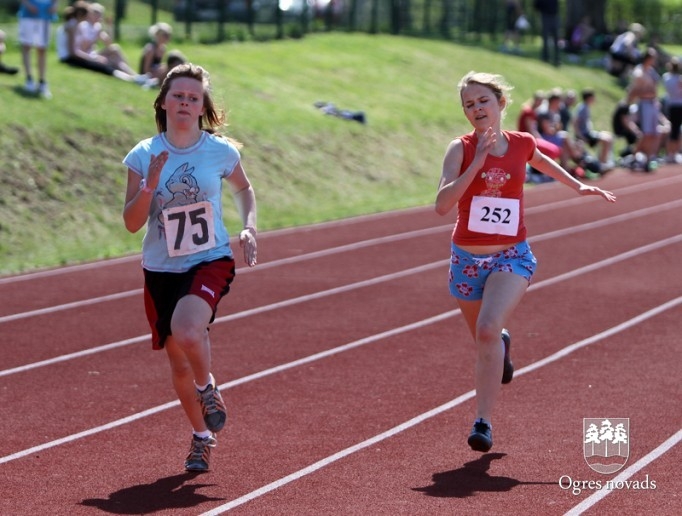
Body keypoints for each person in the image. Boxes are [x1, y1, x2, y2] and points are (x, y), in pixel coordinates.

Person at [434, 71, 615, 453]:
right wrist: (477, 160)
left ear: (500, 103)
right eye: (469, 104)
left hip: (511, 255)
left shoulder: (522, 143)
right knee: (485, 340)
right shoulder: (460, 148)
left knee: (485, 331)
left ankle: (482, 421)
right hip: (467, 258)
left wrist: (577, 184)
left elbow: (543, 163)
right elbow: (442, 205)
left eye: (483, 101)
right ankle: (501, 343)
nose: (476, 109)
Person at [122, 63, 258, 471]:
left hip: (209, 259)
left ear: (202, 107)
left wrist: (248, 227)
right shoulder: (143, 155)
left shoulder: (219, 151)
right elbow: (131, 223)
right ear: (163, 102)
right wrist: (150, 186)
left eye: (193, 98)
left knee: (187, 329)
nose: (185, 103)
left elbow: (244, 189)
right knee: (177, 358)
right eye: (178, 96)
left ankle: (208, 387)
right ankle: (202, 437)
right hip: (161, 268)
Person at [57, 1, 152, 85]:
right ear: (81, 14)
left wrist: (109, 27)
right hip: (68, 58)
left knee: (109, 61)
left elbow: (108, 42)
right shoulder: (72, 26)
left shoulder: (75, 24)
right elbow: (73, 52)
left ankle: (136, 78)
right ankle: (134, 79)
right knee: (104, 66)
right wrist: (93, 58)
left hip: (75, 57)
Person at [627, 47, 669, 168]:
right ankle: (635, 156)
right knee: (646, 133)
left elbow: (655, 87)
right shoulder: (639, 72)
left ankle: (650, 157)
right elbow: (635, 90)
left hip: (653, 103)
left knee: (655, 133)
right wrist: (646, 91)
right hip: (644, 103)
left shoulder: (651, 71)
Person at [17, 0, 58, 98]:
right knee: (26, 46)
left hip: (45, 14)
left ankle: (42, 82)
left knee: (42, 49)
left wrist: (55, 4)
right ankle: (29, 79)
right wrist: (28, 4)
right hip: (28, 14)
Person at [573, 89, 615, 169]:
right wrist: (580, 136)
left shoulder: (586, 107)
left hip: (588, 133)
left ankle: (603, 161)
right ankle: (602, 164)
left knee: (608, 136)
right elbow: (575, 122)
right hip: (585, 134)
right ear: (589, 98)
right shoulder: (582, 108)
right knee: (606, 140)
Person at [662, 57, 682, 163]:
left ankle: (671, 153)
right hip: (678, 105)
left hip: (670, 105)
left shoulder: (666, 77)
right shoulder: (679, 79)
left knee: (673, 129)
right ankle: (674, 152)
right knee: (676, 129)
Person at [534, 0, 560, 66]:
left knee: (556, 39)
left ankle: (557, 59)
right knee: (545, 39)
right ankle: (545, 58)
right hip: (545, 16)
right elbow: (536, 5)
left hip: (554, 16)